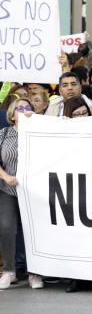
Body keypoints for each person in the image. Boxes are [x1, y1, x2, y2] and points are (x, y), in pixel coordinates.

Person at [0, 99, 38, 290]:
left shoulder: (39, 134)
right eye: (19, 108)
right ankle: (9, 270)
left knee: (34, 231)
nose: (24, 111)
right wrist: (6, 176)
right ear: (12, 114)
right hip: (8, 189)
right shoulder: (4, 134)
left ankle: (35, 272)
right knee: (7, 228)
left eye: (27, 108)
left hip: (34, 191)